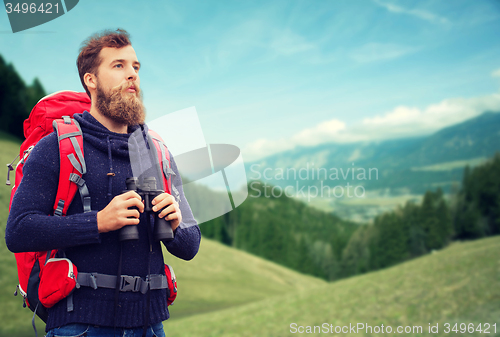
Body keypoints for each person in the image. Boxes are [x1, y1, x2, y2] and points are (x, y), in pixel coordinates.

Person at [5, 28, 201, 337]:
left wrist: (177, 224)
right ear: (91, 80)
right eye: (119, 65)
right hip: (80, 326)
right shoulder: (57, 147)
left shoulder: (157, 153)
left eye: (135, 67)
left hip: (151, 326)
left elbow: (191, 246)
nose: (132, 75)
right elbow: (18, 232)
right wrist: (98, 222)